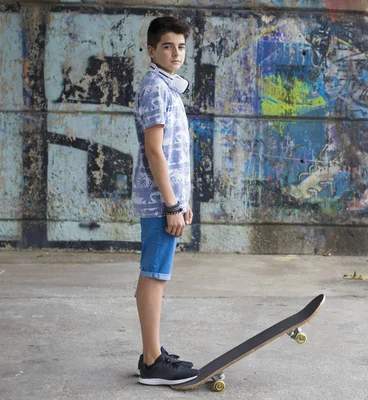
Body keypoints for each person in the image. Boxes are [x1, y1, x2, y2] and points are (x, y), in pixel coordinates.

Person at [132, 16, 197, 386]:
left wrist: (181, 199)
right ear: (152, 50)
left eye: (181, 46)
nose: (176, 53)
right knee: (154, 276)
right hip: (160, 201)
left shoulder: (168, 87)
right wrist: (171, 204)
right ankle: (153, 363)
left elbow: (172, 153)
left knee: (155, 274)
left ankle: (151, 354)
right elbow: (154, 151)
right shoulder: (156, 89)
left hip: (167, 198)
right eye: (168, 46)